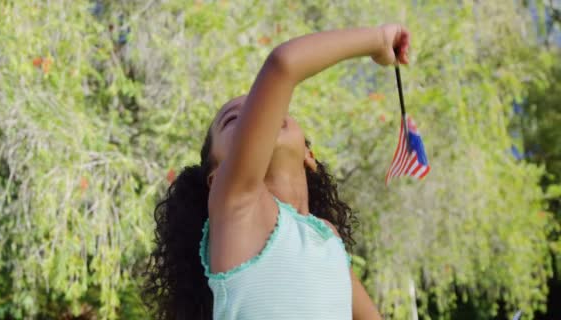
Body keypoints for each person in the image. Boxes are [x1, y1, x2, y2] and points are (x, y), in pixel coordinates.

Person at [144, 24, 411, 320]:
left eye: (265, 113)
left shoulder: (327, 236)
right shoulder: (237, 209)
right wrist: (377, 40)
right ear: (216, 177)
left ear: (310, 155)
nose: (254, 120)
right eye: (236, 121)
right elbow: (283, 65)